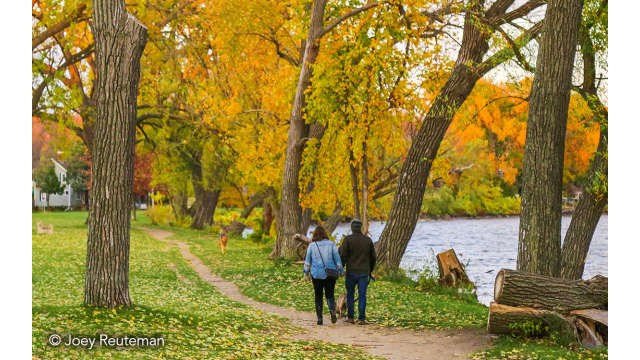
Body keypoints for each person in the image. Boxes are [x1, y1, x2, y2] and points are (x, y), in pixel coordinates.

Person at [303, 226, 344, 325]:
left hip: (316, 274)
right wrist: (341, 271)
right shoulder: (331, 245)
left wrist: (306, 273)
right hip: (330, 274)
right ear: (325, 234)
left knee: (318, 296)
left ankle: (320, 319)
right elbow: (337, 260)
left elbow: (308, 261)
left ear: (315, 234)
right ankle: (332, 313)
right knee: (330, 295)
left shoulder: (312, 246)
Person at [339, 219, 376, 325]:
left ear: (351, 228)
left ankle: (351, 317)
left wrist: (341, 267)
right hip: (364, 272)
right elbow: (373, 257)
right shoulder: (367, 240)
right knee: (362, 295)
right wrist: (370, 269)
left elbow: (343, 255)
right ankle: (361, 318)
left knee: (350, 294)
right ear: (360, 228)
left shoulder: (348, 240)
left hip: (351, 271)